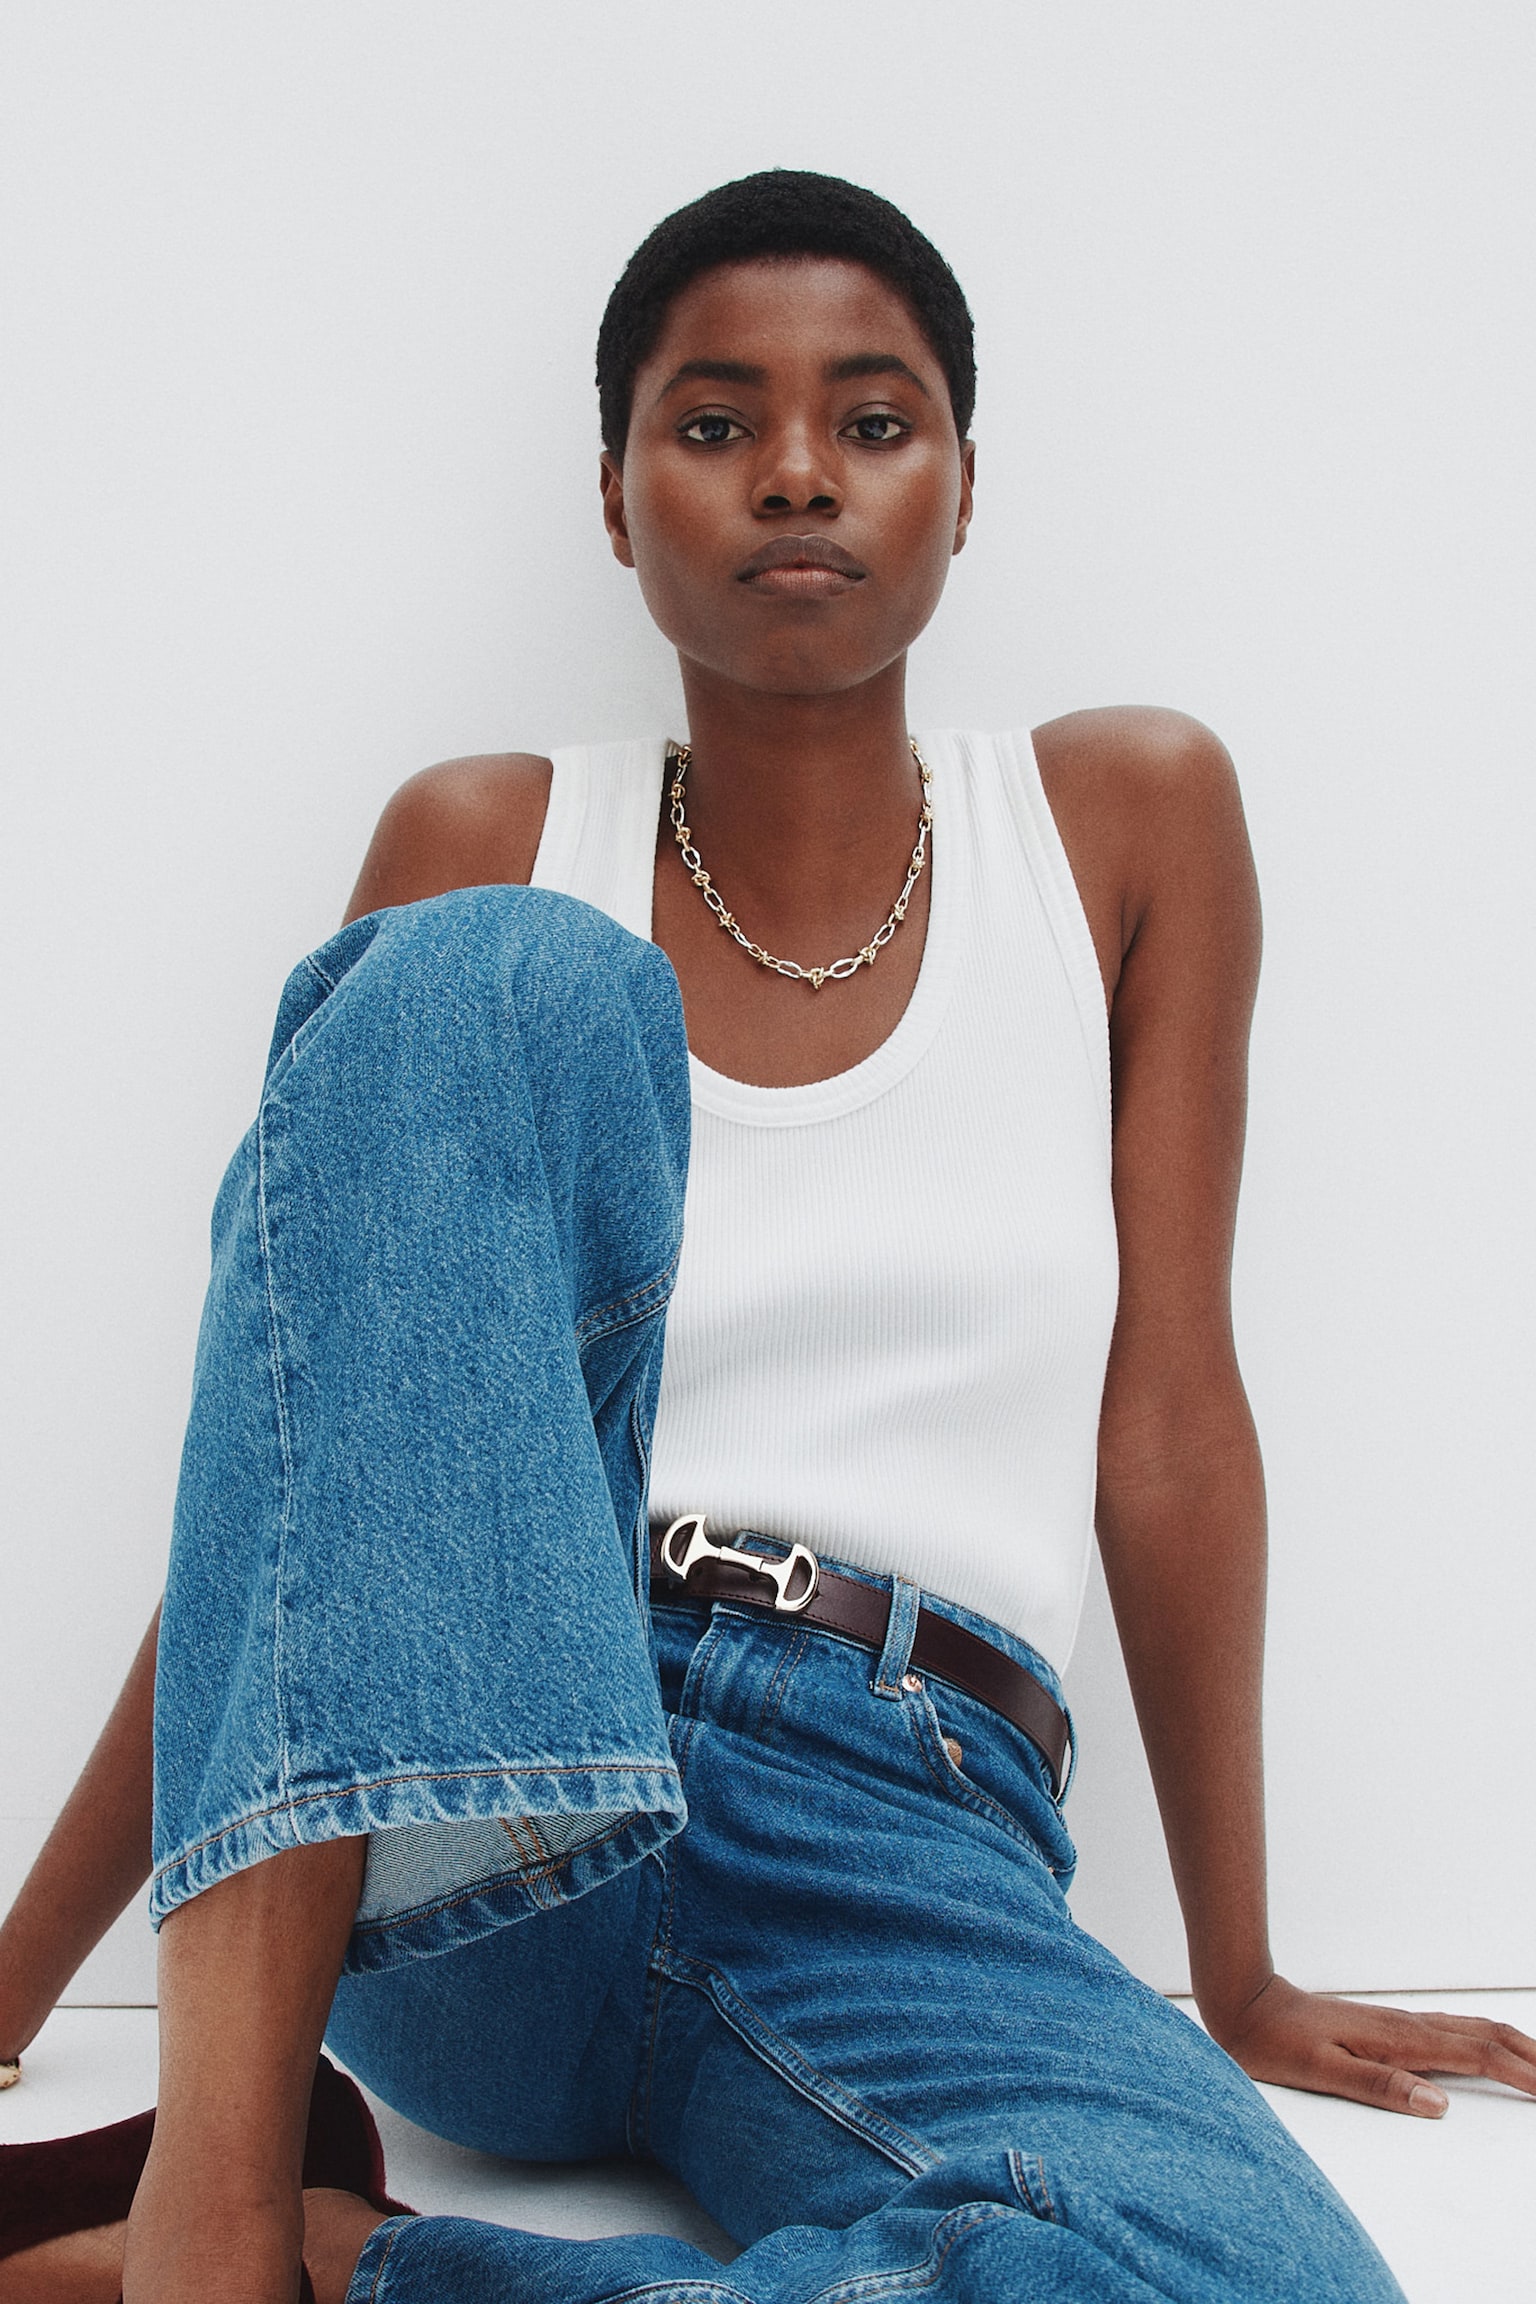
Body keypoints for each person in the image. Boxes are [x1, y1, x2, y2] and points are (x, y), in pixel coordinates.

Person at [2, 169, 1532, 2304]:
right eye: (713, 423)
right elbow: (311, 1473)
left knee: (1246, 2280)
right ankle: (217, 2209)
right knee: (501, 972)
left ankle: (352, 2272)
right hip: (496, 1787)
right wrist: (17, 1979)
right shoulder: (487, 841)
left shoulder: (1123, 824)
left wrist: (1246, 1968)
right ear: (616, 500)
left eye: (872, 421)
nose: (797, 472)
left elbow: (1171, 1415)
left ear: (966, 486)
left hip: (903, 1832)